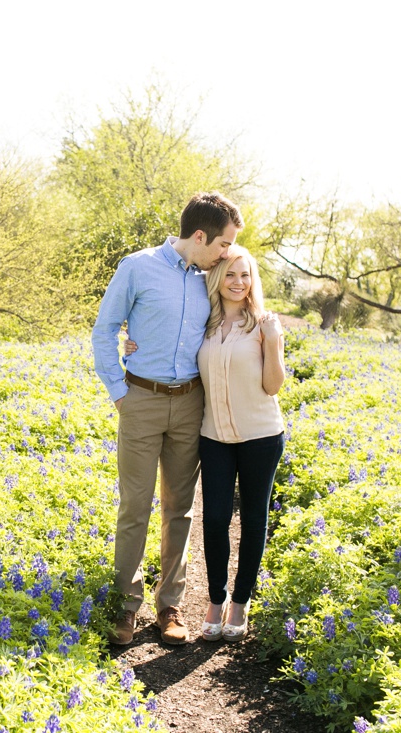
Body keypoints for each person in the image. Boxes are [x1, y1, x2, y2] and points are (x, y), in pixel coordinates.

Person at [91, 192, 244, 646]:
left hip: (191, 402)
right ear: (200, 236)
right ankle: (124, 605)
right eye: (223, 243)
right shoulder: (136, 267)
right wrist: (121, 393)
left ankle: (170, 605)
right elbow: (104, 330)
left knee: (180, 508)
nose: (227, 253)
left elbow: (236, 312)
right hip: (141, 399)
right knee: (134, 506)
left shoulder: (211, 276)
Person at [125, 245, 285, 642]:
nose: (237, 282)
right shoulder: (205, 323)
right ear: (217, 278)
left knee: (253, 521)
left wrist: (274, 343)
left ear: (253, 280)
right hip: (213, 435)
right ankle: (215, 600)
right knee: (214, 520)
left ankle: (239, 603)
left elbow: (273, 386)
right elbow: (167, 335)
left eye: (245, 275)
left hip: (261, 435)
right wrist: (129, 342)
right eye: (230, 274)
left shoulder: (263, 323)